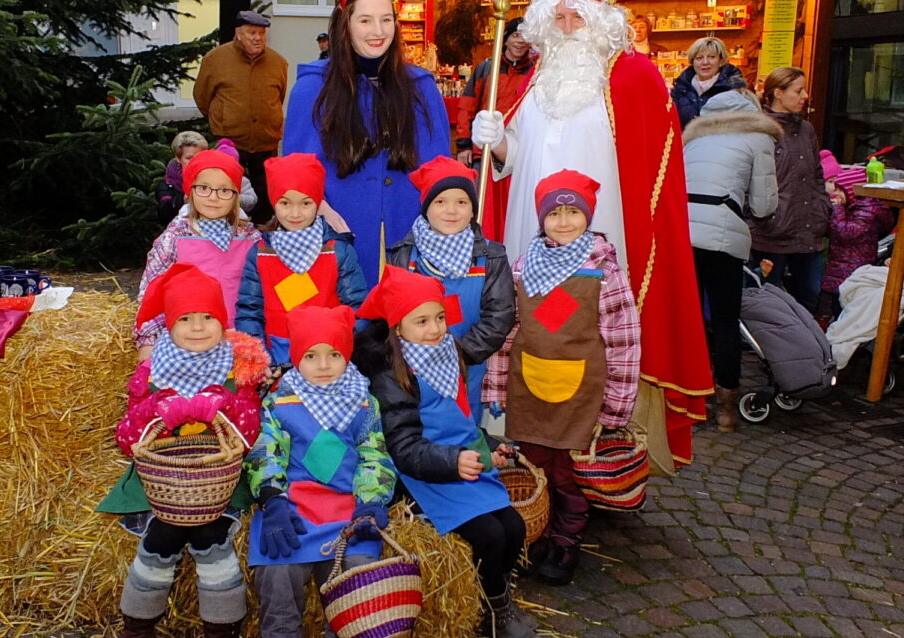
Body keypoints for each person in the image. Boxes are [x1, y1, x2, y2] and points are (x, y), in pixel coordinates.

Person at [469, 0, 712, 470]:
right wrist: (496, 141)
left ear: (604, 18)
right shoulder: (532, 79)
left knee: (588, 341)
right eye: (559, 8)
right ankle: (526, 449)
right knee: (534, 336)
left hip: (603, 246)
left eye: (580, 10)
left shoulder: (634, 79)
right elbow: (512, 166)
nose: (568, 18)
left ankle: (596, 458)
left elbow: (652, 177)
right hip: (532, 240)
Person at [353, 266, 535, 638]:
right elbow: (403, 447)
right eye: (420, 321)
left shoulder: (447, 354)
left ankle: (495, 598)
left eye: (439, 317)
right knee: (489, 535)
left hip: (458, 462)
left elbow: (459, 420)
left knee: (514, 527)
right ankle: (494, 612)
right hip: (421, 476)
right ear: (396, 328)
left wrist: (488, 444)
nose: (435, 329)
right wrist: (453, 462)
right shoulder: (391, 373)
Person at [100, 263, 269, 638]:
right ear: (170, 325)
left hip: (218, 480)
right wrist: (159, 407)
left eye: (207, 317)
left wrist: (221, 403)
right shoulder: (151, 371)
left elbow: (249, 432)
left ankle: (223, 627)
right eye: (185, 318)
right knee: (162, 535)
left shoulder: (238, 368)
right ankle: (138, 625)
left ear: (222, 322)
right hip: (161, 481)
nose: (197, 327)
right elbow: (127, 437)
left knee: (211, 535)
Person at [489, 169, 639, 587]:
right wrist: (497, 385)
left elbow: (624, 340)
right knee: (535, 464)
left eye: (574, 212)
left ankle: (567, 540)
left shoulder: (604, 269)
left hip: (581, 393)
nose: (565, 221)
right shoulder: (523, 267)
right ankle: (536, 533)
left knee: (568, 471)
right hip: (529, 385)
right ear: (542, 220)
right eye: (555, 214)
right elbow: (508, 332)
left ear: (588, 215)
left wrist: (617, 403)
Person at [283, 0, 451, 287]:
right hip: (339, 233)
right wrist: (319, 210)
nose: (378, 31)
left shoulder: (420, 87)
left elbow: (439, 167)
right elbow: (295, 170)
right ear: (344, 24)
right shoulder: (313, 87)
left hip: (410, 232)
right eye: (365, 20)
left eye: (386, 19)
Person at [245, 304, 395, 638]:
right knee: (278, 573)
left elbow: (375, 456)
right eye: (311, 356)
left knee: (358, 580)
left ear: (348, 356)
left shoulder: (364, 403)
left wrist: (371, 502)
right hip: (294, 512)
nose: (324, 366)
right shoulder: (279, 403)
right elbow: (264, 452)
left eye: (334, 354)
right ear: (297, 357)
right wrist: (273, 500)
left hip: (347, 516)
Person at [387, 156, 514, 423]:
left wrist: (459, 354)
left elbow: (500, 315)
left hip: (468, 364)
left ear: (472, 209)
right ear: (426, 208)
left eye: (461, 202)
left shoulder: (490, 256)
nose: (451, 211)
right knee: (418, 432)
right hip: (415, 366)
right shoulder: (405, 255)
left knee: (463, 430)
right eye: (440, 202)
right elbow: (390, 313)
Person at [682, 88, 779, 432]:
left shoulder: (692, 137)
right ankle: (725, 408)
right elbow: (765, 205)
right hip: (723, 229)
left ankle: (685, 399)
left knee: (688, 318)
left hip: (682, 230)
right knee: (725, 320)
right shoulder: (758, 137)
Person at [236, 153, 369, 364]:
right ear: (273, 202)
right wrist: (259, 358)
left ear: (317, 203)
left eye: (305, 203)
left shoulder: (338, 251)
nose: (295, 213)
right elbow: (249, 310)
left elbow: (358, 307)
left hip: (328, 358)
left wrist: (342, 349)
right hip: (277, 355)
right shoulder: (259, 254)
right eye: (285, 203)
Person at [135, 150, 262, 362]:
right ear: (189, 191)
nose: (213, 197)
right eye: (204, 188)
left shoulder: (251, 238)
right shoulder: (174, 237)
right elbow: (151, 291)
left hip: (237, 342)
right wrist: (148, 342)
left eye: (224, 190)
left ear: (236, 195)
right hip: (185, 343)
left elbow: (263, 295)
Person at [748, 66, 831, 314]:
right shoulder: (759, 129)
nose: (805, 96)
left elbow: (817, 174)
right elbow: (747, 178)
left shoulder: (806, 129)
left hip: (807, 230)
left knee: (809, 298)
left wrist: (822, 208)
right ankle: (772, 353)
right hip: (771, 232)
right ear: (778, 93)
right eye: (799, 90)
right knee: (768, 303)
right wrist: (761, 217)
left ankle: (806, 351)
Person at [193, 10, 288, 225]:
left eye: (261, 33)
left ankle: (262, 232)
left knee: (265, 192)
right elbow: (202, 96)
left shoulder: (278, 62)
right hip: (231, 141)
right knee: (229, 188)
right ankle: (231, 230)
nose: (257, 38)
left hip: (266, 139)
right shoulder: (215, 59)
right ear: (238, 33)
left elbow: (278, 97)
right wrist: (226, 118)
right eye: (251, 33)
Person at [454, 16, 536, 242]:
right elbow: (467, 105)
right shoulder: (487, 68)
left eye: (526, 36)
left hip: (516, 149)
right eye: (515, 35)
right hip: (485, 149)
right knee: (483, 205)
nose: (520, 41)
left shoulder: (533, 72)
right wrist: (463, 145)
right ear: (506, 39)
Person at [820, 149, 894, 318]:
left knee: (845, 308)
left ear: (852, 192)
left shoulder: (867, 212)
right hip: (840, 266)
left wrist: (837, 209)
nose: (834, 193)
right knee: (832, 306)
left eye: (839, 190)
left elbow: (844, 232)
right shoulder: (853, 209)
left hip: (852, 268)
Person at [670, 37, 743, 128]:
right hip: (687, 141)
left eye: (711, 57)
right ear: (693, 62)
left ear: (721, 61)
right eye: (699, 58)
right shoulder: (681, 87)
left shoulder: (734, 87)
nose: (705, 62)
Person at [156, 131, 209, 224]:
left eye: (200, 157)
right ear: (178, 158)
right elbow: (164, 213)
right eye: (189, 158)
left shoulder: (216, 177)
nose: (195, 162)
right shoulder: (167, 185)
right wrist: (182, 200)